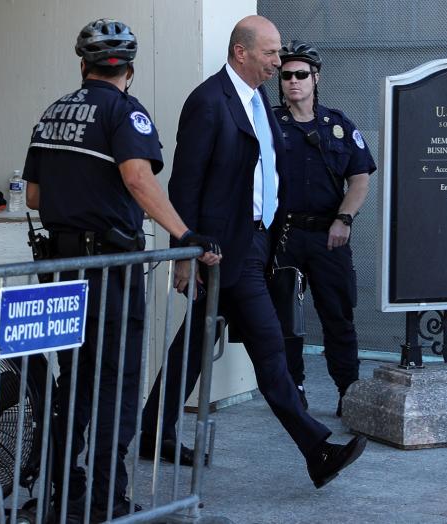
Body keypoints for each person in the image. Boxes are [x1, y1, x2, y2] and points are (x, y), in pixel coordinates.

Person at [138, 15, 366, 487]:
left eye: (281, 53)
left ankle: (151, 431)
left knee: (196, 341)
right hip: (223, 250)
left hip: (258, 243)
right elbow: (186, 181)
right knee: (270, 344)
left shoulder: (258, 100)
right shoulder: (208, 102)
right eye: (271, 53)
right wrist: (185, 250)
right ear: (241, 52)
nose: (279, 62)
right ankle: (316, 449)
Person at [22, 18, 220, 522]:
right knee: (116, 385)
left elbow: (34, 196)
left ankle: (62, 493)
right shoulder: (125, 112)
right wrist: (184, 235)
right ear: (128, 70)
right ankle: (107, 501)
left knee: (74, 382)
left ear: (82, 65)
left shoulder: (52, 112)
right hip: (109, 272)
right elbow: (137, 177)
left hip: (60, 268)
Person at [273, 41, 376, 416]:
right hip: (282, 237)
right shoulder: (269, 124)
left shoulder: (337, 124)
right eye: (286, 75)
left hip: (329, 237)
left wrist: (343, 219)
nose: (294, 82)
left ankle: (348, 392)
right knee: (286, 321)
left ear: (316, 78)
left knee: (338, 316)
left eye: (301, 74)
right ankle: (293, 392)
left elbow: (360, 179)